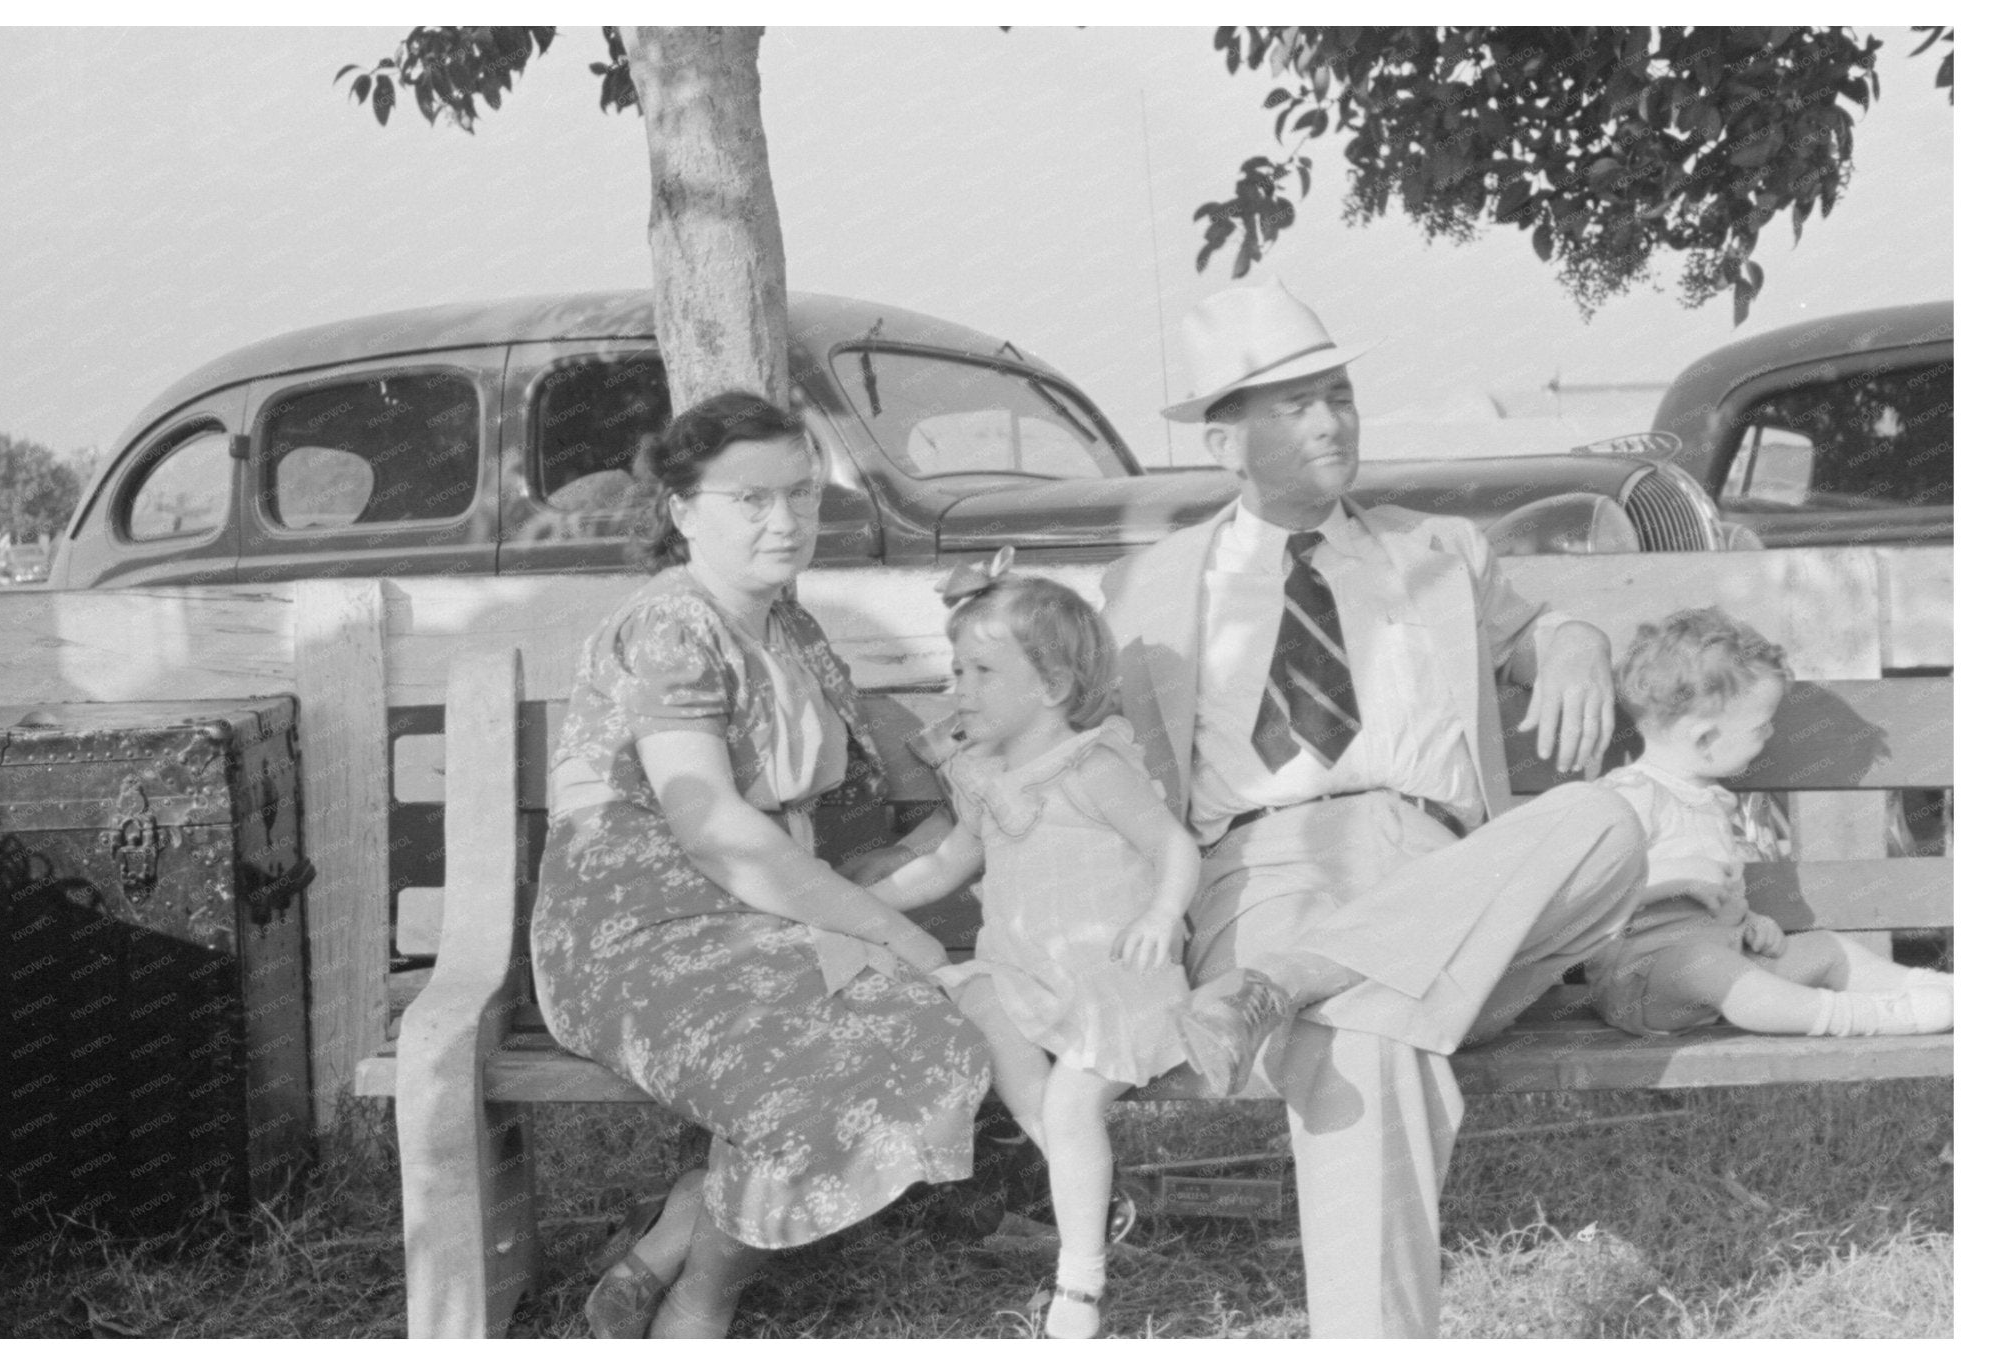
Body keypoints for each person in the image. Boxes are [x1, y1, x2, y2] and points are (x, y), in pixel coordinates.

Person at [1097, 277, 1649, 1337]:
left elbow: (1536, 636)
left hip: (1446, 874)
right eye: (1294, 404)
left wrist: (1573, 637)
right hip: (1260, 876)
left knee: (1606, 821)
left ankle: (1286, 988)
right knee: (1365, 1038)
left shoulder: (1436, 550)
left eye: (1339, 394)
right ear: (1223, 443)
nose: (1330, 420)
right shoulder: (1148, 589)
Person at [528, 391, 990, 1339]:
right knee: (867, 1036)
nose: (785, 521)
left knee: (937, 1016)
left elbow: (849, 799)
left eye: (801, 494)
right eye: (750, 499)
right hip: (637, 935)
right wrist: (900, 930)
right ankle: (707, 1288)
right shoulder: (669, 627)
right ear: (682, 508)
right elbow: (711, 828)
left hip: (760, 923)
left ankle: (692, 1236)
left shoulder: (794, 629)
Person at [869, 554, 1275, 1338]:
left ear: (1052, 687)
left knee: (1072, 1095)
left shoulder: (1093, 766)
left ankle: (1079, 1285)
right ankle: (1083, 1179)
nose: (960, 688)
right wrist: (858, 902)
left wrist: (1162, 912)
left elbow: (1173, 845)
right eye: (956, 669)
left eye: (983, 671)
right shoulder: (986, 776)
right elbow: (948, 864)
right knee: (983, 1005)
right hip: (1029, 971)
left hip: (1115, 975)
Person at [1588, 607, 1954, 1038]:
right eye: (1762, 726)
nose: (1770, 736)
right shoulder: (1628, 796)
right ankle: (1869, 1017)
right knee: (1705, 968)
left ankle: (1946, 992)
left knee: (1827, 948)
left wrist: (1749, 924)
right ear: (1704, 738)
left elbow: (1721, 904)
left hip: (1727, 966)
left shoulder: (1711, 803)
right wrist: (1672, 883)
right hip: (1645, 983)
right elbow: (1590, 898)